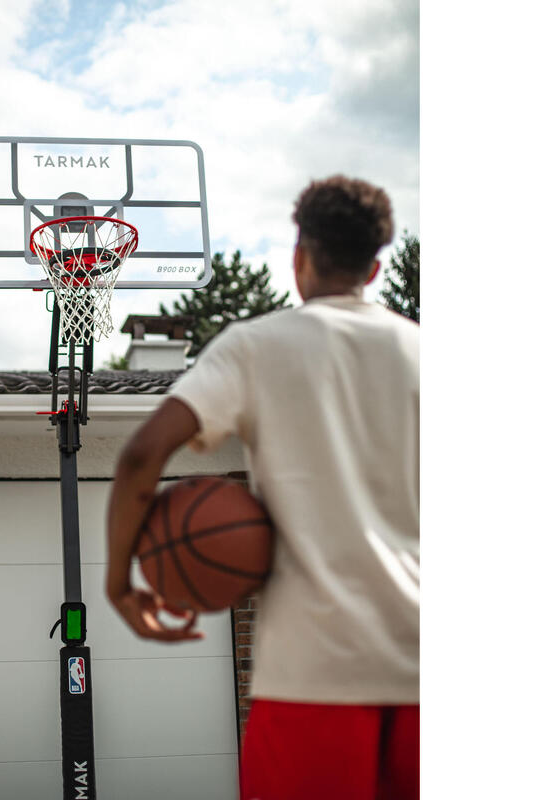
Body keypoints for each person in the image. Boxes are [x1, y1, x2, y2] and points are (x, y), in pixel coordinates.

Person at [105, 175, 419, 800]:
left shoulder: (255, 345)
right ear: (376, 267)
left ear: (299, 255)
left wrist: (119, 584)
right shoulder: (425, 352)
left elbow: (143, 452)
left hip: (311, 676)